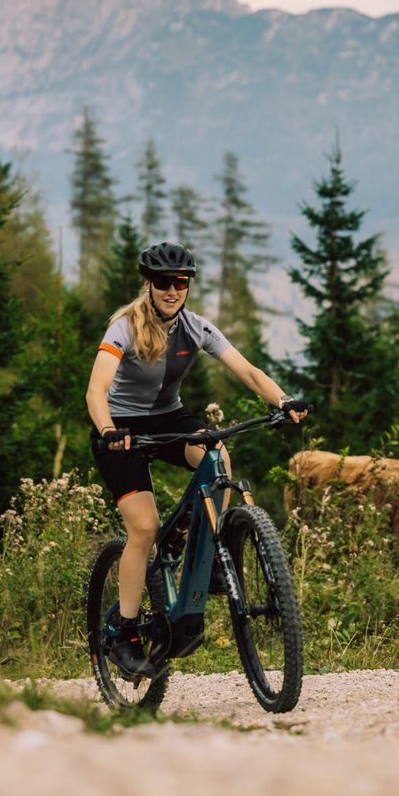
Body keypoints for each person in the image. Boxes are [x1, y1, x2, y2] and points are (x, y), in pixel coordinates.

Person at [86, 241, 307, 678]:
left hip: (168, 419)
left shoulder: (195, 327)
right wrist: (109, 431)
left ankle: (208, 560)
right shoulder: (123, 327)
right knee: (144, 527)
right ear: (148, 284)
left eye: (180, 282)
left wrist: (283, 399)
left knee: (216, 455)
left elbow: (246, 371)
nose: (173, 290)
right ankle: (126, 632)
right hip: (121, 429)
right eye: (164, 282)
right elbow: (96, 389)